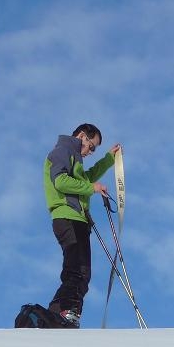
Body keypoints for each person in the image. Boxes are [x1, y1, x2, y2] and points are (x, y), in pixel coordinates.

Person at [43, 123, 121, 328]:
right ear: (81, 136)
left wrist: (108, 159)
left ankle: (58, 314)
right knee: (76, 269)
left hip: (78, 220)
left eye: (94, 149)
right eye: (91, 146)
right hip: (67, 217)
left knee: (83, 272)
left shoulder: (74, 158)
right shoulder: (62, 151)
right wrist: (91, 188)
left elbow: (87, 177)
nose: (90, 152)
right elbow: (60, 181)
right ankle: (66, 311)